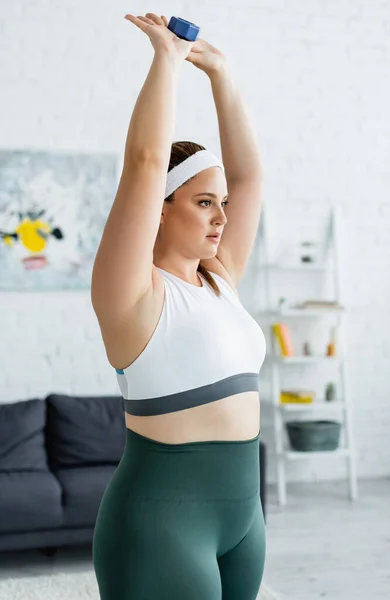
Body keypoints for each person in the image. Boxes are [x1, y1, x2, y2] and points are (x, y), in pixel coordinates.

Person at [91, 12, 267, 600]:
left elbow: (250, 179)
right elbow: (143, 163)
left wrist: (221, 75)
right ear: (161, 207)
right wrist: (166, 60)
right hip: (162, 522)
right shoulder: (133, 293)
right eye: (202, 202)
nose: (223, 215)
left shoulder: (220, 281)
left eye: (221, 203)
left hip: (244, 516)